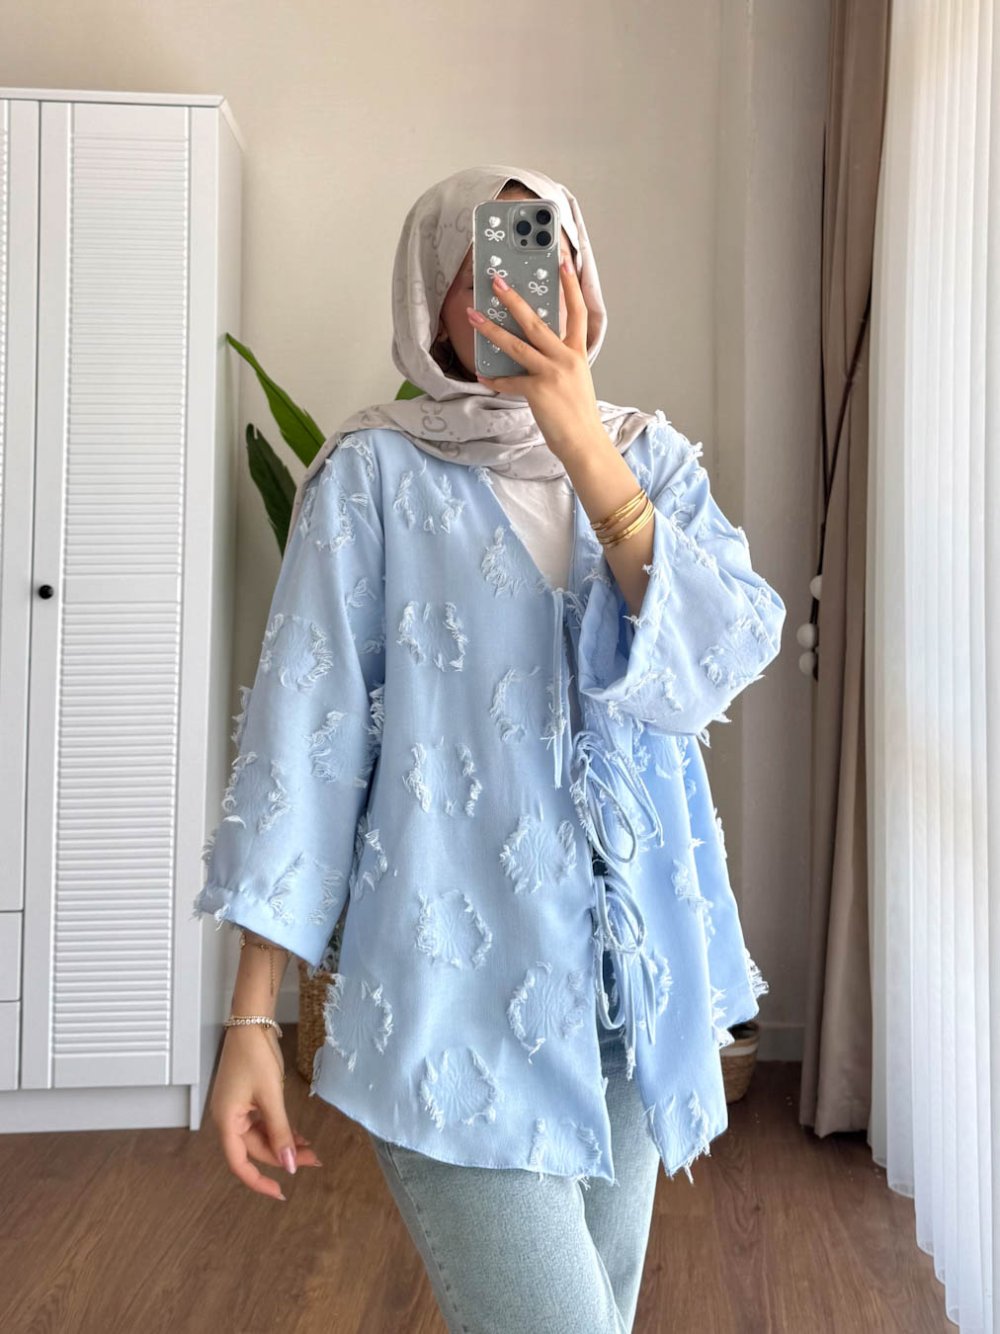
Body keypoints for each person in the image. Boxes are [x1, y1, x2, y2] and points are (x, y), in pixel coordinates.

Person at [194, 165, 786, 1334]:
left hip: (632, 990)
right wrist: (253, 1015)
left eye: (545, 257)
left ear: (586, 282)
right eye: (488, 271)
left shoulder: (648, 457)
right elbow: (302, 747)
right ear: (431, 303)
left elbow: (720, 653)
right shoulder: (370, 476)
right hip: (448, 994)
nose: (521, 294)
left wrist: (582, 439)